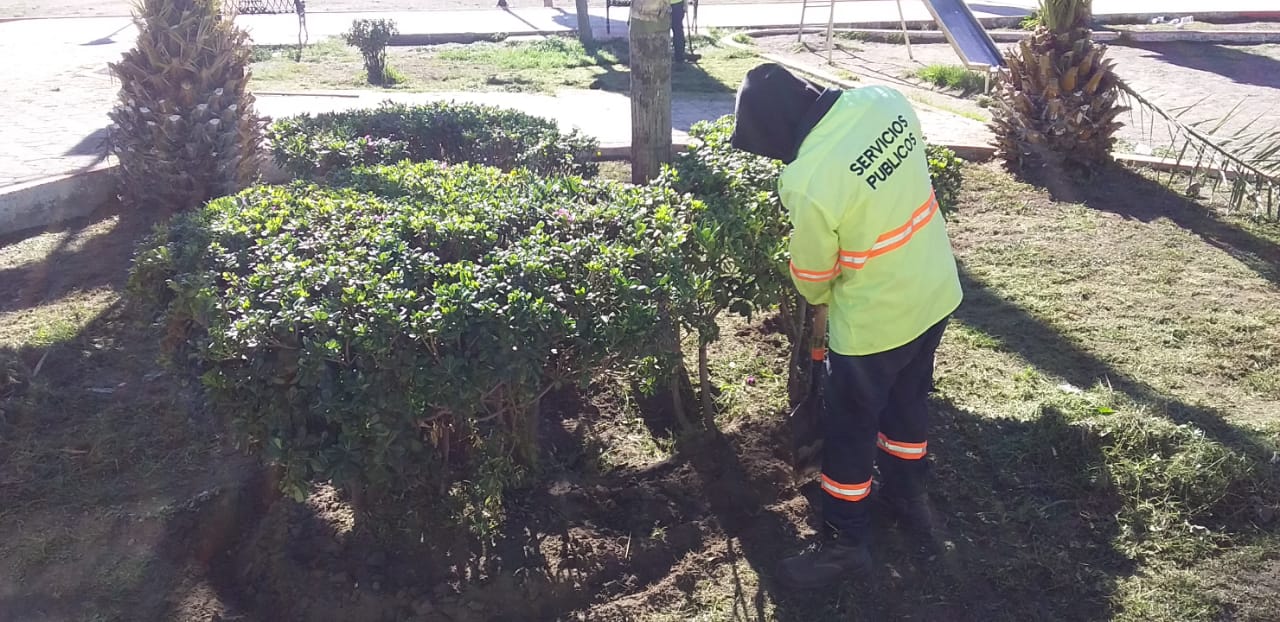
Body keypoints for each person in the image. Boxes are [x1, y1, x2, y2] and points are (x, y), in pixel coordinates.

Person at [729, 63, 963, 590]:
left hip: (875, 326)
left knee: (849, 430)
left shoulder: (810, 179)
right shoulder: (885, 100)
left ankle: (844, 542)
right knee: (908, 402)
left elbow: (813, 277)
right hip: (934, 291)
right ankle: (908, 498)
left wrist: (815, 295)